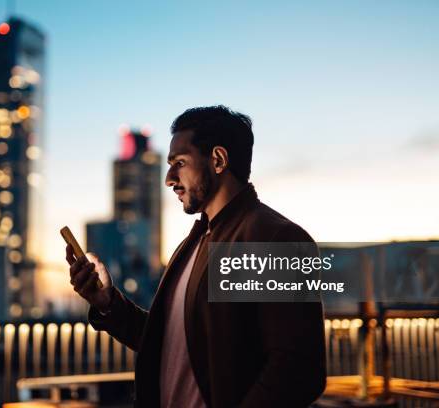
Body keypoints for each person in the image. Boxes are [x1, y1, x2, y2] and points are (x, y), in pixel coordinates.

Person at [66, 105, 326, 407]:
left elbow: (299, 370)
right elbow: (168, 344)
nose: (169, 179)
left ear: (218, 160)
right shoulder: (194, 243)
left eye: (179, 163)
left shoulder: (274, 238)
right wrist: (107, 303)